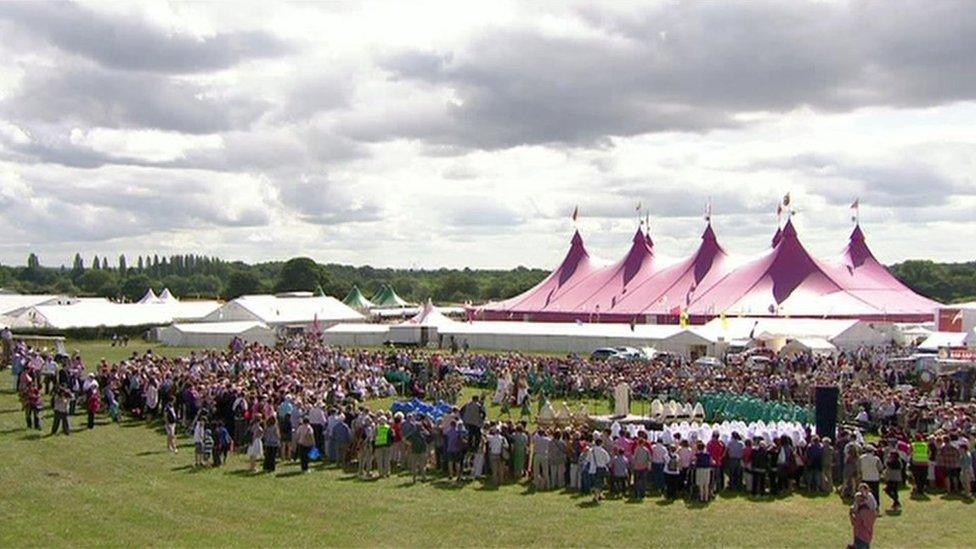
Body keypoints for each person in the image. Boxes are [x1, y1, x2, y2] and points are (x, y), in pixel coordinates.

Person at [850, 484, 878, 549]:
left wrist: (851, 514)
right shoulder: (871, 513)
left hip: (860, 538)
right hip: (867, 538)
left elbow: (854, 522)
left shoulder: (861, 514)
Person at [589, 436, 611, 503]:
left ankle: (598, 495)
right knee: (600, 483)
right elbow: (608, 460)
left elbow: (589, 459)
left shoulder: (591, 450)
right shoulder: (603, 451)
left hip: (593, 468)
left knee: (596, 483)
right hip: (601, 468)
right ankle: (597, 497)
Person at [883, 446, 904, 512]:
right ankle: (895, 503)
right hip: (897, 478)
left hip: (891, 478)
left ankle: (896, 501)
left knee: (887, 490)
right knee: (895, 491)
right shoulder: (899, 462)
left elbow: (886, 465)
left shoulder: (890, 462)